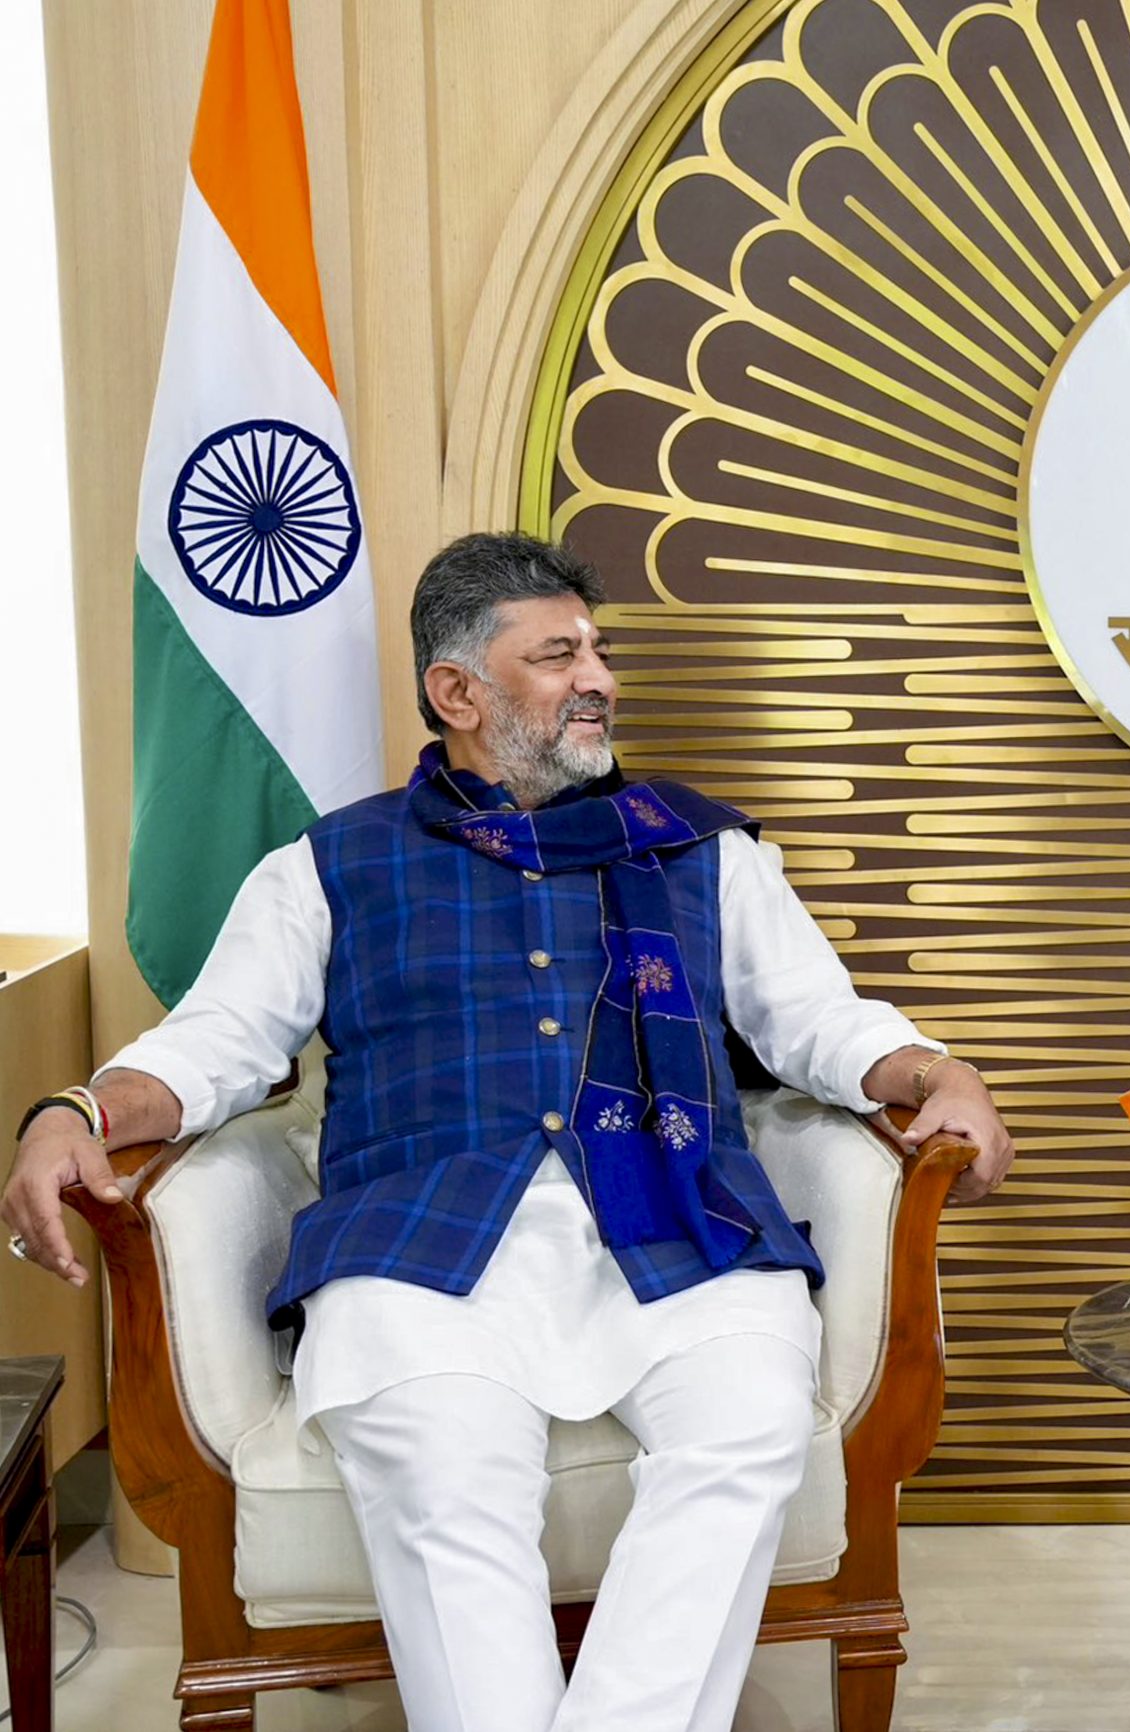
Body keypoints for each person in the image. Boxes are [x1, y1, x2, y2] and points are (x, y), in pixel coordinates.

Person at [2, 531, 1014, 1732]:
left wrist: (937, 1070)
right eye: (558, 655)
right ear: (458, 691)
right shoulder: (329, 866)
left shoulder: (702, 848)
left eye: (598, 651)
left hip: (677, 1215)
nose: (600, 678)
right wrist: (73, 1112)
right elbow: (211, 1046)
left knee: (750, 1418)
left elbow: (817, 1022)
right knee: (446, 1473)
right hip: (422, 1240)